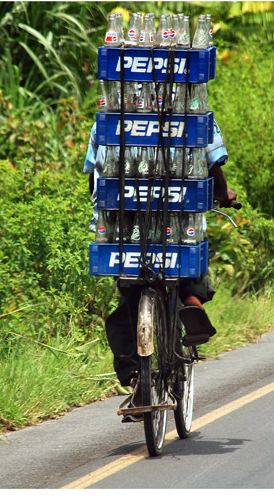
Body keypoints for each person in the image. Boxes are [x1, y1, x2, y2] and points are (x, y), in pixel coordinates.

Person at [83, 120, 238, 409]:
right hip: (176, 222)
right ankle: (191, 297)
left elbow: (94, 179)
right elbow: (214, 166)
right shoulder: (195, 120)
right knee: (189, 247)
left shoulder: (105, 124)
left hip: (124, 231)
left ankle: (136, 377)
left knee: (128, 298)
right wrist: (223, 193)